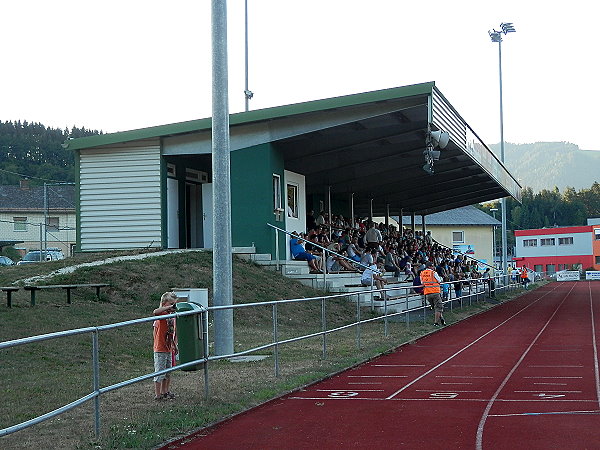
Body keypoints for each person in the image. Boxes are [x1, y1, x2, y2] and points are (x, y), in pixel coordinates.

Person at [153, 291, 180, 401]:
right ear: (164, 303)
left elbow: (173, 332)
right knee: (160, 372)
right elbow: (155, 312)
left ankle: (165, 391)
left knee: (168, 372)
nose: (173, 306)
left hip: (169, 348)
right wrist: (166, 308)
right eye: (171, 304)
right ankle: (158, 395)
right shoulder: (162, 314)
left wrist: (175, 345)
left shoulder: (172, 316)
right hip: (160, 348)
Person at [421, 261, 446, 326]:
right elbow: (439, 281)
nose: (433, 267)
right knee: (438, 307)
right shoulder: (433, 273)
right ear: (429, 266)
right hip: (435, 292)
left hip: (427, 293)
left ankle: (442, 319)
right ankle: (436, 323)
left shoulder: (422, 273)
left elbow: (422, 282)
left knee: (436, 308)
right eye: (432, 266)